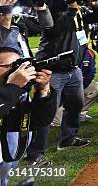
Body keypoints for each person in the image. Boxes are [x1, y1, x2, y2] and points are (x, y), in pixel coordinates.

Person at [26, 0, 98, 166]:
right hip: (52, 70)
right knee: (45, 112)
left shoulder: (78, 13)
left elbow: (97, 18)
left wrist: (96, 5)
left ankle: (67, 140)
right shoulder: (53, 13)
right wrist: (71, 7)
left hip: (73, 69)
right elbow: (55, 30)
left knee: (75, 106)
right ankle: (34, 154)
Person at [0, 47, 56, 186]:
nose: (18, 72)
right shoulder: (12, 91)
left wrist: (44, 90)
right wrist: (13, 87)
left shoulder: (17, 95)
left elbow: (40, 120)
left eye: (21, 65)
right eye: (12, 66)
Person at [51, 47, 98, 126]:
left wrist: (80, 87)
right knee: (58, 122)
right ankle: (53, 117)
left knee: (96, 87)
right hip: (61, 85)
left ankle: (80, 112)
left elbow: (91, 72)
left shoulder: (89, 53)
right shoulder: (64, 51)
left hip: (81, 84)